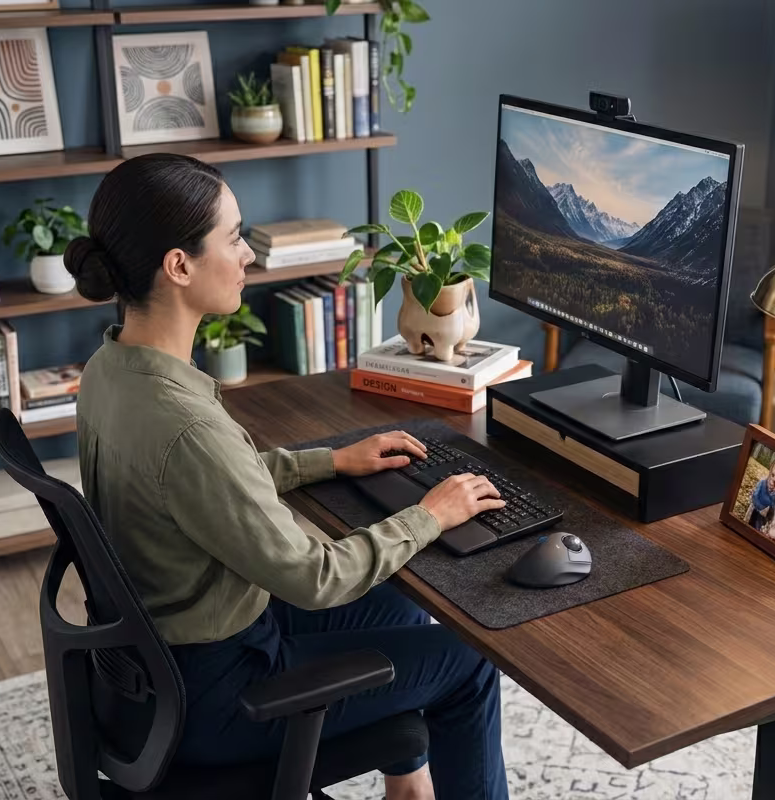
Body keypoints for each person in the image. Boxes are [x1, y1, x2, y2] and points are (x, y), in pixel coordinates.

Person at [64, 152, 511, 800]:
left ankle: (408, 781)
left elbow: (200, 486)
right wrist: (431, 514)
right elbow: (315, 576)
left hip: (155, 666)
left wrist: (328, 460)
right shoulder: (184, 425)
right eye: (235, 237)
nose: (248, 255)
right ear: (179, 266)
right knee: (469, 663)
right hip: (219, 694)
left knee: (410, 607)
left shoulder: (110, 367)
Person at [747, 458, 775, 531]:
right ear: (771, 468)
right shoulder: (763, 482)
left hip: (765, 518)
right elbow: (755, 496)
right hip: (756, 512)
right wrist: (761, 508)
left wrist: (768, 510)